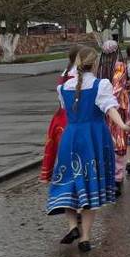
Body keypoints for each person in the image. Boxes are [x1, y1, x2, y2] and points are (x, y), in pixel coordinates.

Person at [47, 46, 130, 252]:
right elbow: (110, 108)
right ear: (95, 64)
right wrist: (122, 126)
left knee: (69, 180)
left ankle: (72, 226)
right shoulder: (101, 85)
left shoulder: (64, 87)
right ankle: (85, 237)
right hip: (93, 137)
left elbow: (67, 110)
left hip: (71, 136)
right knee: (90, 182)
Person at [39, 45, 81, 183]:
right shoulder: (75, 74)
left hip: (60, 116)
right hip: (71, 117)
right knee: (73, 152)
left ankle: (64, 180)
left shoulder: (66, 71)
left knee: (63, 151)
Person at [97, 40, 130, 188]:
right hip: (117, 107)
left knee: (107, 137)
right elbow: (117, 87)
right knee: (119, 138)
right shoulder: (119, 66)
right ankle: (117, 177)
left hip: (102, 107)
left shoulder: (100, 67)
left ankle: (107, 175)